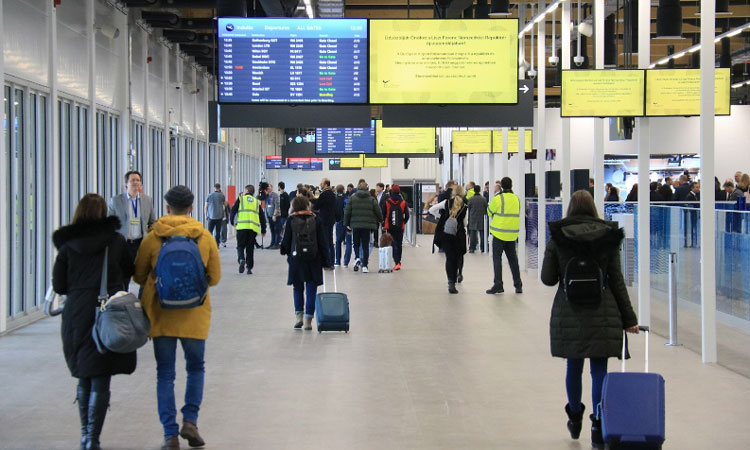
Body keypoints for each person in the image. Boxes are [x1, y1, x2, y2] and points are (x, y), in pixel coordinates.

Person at [541, 190, 639, 450]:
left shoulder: (558, 237)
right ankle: (598, 425)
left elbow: (548, 279)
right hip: (603, 312)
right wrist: (629, 319)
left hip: (569, 310)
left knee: (573, 368)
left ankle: (575, 418)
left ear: (571, 208)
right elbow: (617, 281)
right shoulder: (608, 236)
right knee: (599, 372)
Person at [133, 185, 221, 450]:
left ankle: (170, 434)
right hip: (195, 314)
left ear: (167, 207)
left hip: (161, 315)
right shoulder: (203, 237)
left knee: (165, 374)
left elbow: (138, 275)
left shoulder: (153, 237)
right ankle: (190, 421)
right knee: (195, 368)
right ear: (192, 208)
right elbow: (214, 278)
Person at [53, 194, 136, 450]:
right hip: (107, 311)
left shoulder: (67, 246)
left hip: (77, 313)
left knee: (84, 374)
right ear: (103, 213)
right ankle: (93, 438)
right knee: (101, 372)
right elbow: (128, 272)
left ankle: (84, 435)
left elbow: (59, 285)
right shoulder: (116, 241)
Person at [280, 195, 330, 330]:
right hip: (314, 259)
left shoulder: (291, 220)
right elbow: (323, 242)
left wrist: (285, 251)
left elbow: (285, 242)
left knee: (297, 288)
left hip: (296, 260)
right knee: (311, 289)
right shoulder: (316, 219)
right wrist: (327, 261)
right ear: (307, 205)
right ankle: (308, 320)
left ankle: (298, 317)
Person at [107, 170, 156, 288]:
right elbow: (109, 223)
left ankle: (142, 300)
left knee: (144, 273)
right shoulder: (116, 201)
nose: (135, 183)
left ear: (141, 184)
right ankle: (123, 299)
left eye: (138, 180)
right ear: (126, 184)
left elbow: (151, 221)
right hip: (123, 243)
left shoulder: (147, 200)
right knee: (124, 274)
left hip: (140, 242)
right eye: (132, 180)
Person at [486, 177, 523, 295]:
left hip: (499, 233)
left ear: (501, 185)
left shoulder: (498, 198)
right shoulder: (516, 198)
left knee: (497, 259)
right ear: (511, 185)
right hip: (512, 235)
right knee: (513, 260)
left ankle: (498, 285)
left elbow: (489, 212)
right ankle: (518, 285)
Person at [430, 184, 468, 294]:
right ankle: (457, 274)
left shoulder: (446, 203)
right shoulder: (465, 206)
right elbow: (465, 223)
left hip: (446, 234)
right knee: (457, 257)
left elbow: (432, 209)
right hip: (459, 235)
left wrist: (441, 217)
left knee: (449, 258)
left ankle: (450, 282)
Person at [344, 180, 383, 274]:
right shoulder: (371, 199)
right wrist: (381, 220)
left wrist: (347, 224)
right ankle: (365, 266)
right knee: (365, 246)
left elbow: (347, 212)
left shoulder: (352, 199)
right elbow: (378, 211)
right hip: (367, 226)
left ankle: (357, 257)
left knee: (356, 244)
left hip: (355, 225)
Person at [230, 184, 267, 275]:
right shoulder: (256, 201)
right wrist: (263, 229)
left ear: (246, 190)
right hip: (252, 229)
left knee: (240, 246)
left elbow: (233, 210)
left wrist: (232, 221)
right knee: (250, 248)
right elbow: (262, 217)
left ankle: (242, 259)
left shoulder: (240, 199)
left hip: (241, 227)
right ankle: (249, 268)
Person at [382, 184, 410, 270]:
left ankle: (396, 261)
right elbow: (407, 215)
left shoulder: (387, 202)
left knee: (393, 243)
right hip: (400, 226)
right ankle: (399, 261)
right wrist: (403, 222)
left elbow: (383, 214)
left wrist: (384, 224)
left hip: (390, 226)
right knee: (399, 244)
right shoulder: (403, 202)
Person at [312, 178, 337, 269]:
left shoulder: (323, 194)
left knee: (325, 241)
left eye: (322, 183)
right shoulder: (333, 195)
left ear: (326, 184)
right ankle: (332, 262)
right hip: (331, 220)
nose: (320, 184)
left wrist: (314, 198)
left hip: (324, 220)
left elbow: (317, 205)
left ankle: (327, 262)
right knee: (330, 241)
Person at [334, 184, 353, 267]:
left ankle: (337, 261)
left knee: (338, 242)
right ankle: (346, 262)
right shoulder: (347, 198)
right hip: (348, 223)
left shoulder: (335, 199)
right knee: (348, 243)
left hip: (339, 223)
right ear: (344, 189)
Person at [468, 185, 488, 253]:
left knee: (473, 234)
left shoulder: (470, 199)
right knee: (482, 234)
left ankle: (472, 248)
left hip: (473, 218)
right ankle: (483, 248)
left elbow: (469, 209)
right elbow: (486, 209)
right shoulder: (484, 199)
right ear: (479, 190)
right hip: (482, 218)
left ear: (474, 190)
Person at [262, 182, 281, 249]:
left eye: (269, 186)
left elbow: (277, 205)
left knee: (276, 230)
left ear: (272, 188)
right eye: (267, 186)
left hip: (275, 216)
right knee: (272, 230)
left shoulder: (275, 195)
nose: (268, 187)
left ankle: (276, 244)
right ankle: (272, 243)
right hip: (269, 216)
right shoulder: (266, 196)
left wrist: (274, 215)